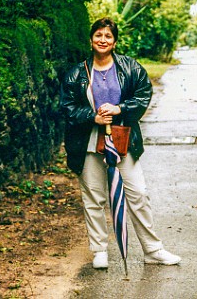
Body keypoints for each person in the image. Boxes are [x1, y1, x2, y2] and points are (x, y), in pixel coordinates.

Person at [60, 17, 181, 269]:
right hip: (89, 142)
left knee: (138, 194)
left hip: (123, 140)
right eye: (98, 35)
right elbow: (66, 108)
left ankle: (153, 249)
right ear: (91, 39)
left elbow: (143, 94)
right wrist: (91, 116)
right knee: (94, 197)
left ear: (114, 42)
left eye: (108, 36)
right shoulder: (76, 73)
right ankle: (99, 250)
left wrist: (119, 108)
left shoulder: (130, 68)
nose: (102, 40)